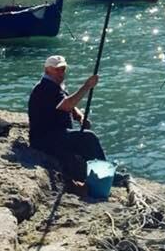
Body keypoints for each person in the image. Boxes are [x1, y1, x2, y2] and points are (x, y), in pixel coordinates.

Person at [27, 55, 106, 190]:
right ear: (47, 70)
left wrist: (79, 116)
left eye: (63, 69)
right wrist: (87, 86)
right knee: (89, 138)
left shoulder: (56, 86)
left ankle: (95, 175)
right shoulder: (45, 88)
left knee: (83, 141)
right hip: (45, 138)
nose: (61, 73)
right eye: (57, 70)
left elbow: (67, 103)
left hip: (57, 133)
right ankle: (103, 176)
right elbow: (65, 104)